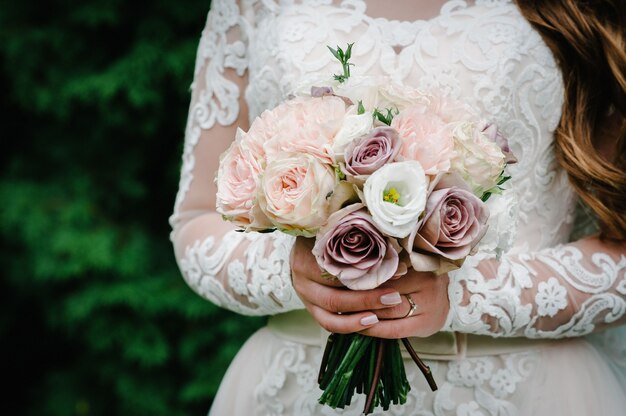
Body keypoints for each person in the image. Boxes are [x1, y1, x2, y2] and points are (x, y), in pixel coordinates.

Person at [169, 0, 626, 414]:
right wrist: (293, 272)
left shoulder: (584, 10)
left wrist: (463, 296)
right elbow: (197, 221)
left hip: (530, 391)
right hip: (295, 385)